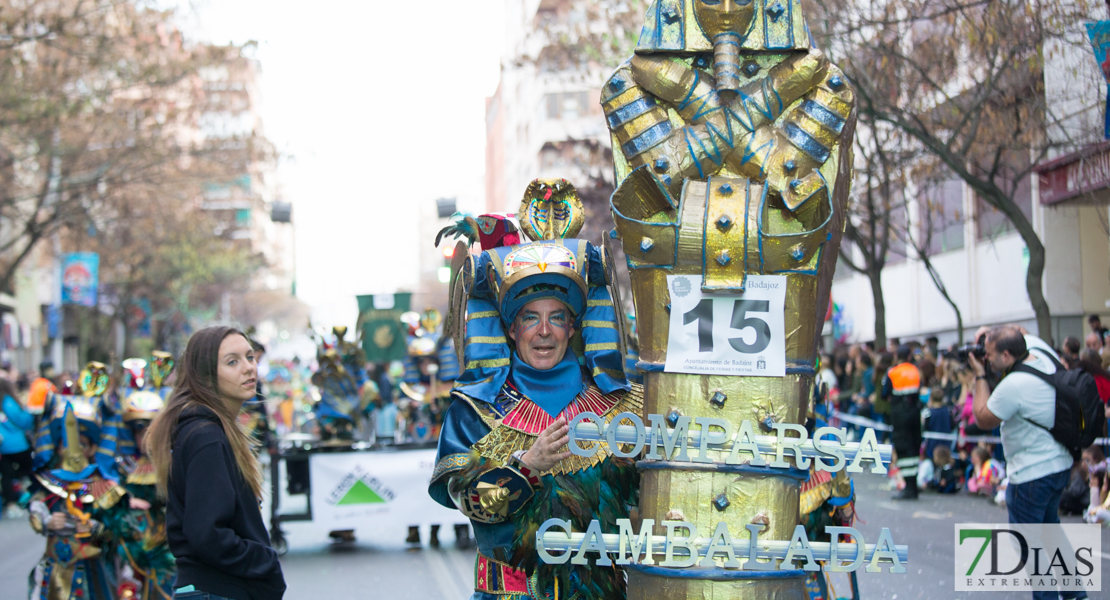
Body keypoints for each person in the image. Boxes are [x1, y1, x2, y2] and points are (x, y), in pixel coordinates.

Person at [428, 198, 640, 599]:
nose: (544, 331)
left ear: (573, 327)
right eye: (530, 318)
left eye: (556, 317)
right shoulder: (474, 408)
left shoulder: (622, 405)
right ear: (510, 329)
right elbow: (466, 501)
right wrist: (526, 467)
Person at [147, 326, 285, 600]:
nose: (248, 368)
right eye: (232, 362)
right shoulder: (205, 436)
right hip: (216, 590)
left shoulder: (211, 429)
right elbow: (207, 533)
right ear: (206, 375)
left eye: (249, 357)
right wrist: (264, 560)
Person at [970, 325, 1087, 600]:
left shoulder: (1014, 386)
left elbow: (982, 418)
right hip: (1059, 462)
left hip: (1032, 474)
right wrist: (992, 333)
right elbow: (1019, 331)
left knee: (1027, 544)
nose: (986, 359)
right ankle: (1075, 594)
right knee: (1051, 533)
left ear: (1008, 355)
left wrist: (978, 375)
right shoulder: (1040, 351)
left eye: (989, 354)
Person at [27, 367, 125, 600]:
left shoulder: (106, 488)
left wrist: (96, 528)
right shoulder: (49, 481)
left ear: (92, 449)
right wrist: (47, 521)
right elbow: (34, 508)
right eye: (67, 444)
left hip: (94, 572)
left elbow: (122, 530)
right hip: (57, 573)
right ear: (57, 447)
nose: (74, 451)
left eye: (82, 445)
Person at [882, 344, 922, 499]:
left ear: (897, 356)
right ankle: (914, 485)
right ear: (909, 357)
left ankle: (909, 487)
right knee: (914, 446)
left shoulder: (893, 372)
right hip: (914, 412)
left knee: (903, 449)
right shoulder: (915, 370)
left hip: (899, 414)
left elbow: (885, 394)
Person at [1, 377, 34, 517]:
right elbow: (23, 421)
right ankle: (30, 496)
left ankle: (10, 503)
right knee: (30, 469)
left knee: (7, 475)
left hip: (3, 446)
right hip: (17, 444)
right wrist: (28, 410)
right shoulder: (8, 401)